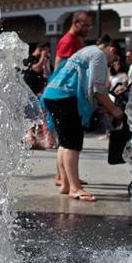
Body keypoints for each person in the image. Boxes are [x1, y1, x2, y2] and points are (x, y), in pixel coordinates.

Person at [41, 36, 124, 202]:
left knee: (65, 142)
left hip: (52, 94)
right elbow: (98, 89)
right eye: (113, 61)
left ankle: (65, 184)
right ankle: (75, 188)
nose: (110, 64)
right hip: (65, 97)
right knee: (73, 142)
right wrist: (115, 110)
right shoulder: (99, 55)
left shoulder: (86, 51)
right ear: (112, 50)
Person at [51, 12, 93, 184]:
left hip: (64, 93)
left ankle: (64, 176)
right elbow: (60, 64)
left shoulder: (75, 41)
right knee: (69, 140)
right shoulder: (68, 41)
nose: (89, 29)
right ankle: (64, 178)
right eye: (86, 25)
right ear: (75, 23)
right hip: (64, 93)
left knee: (65, 139)